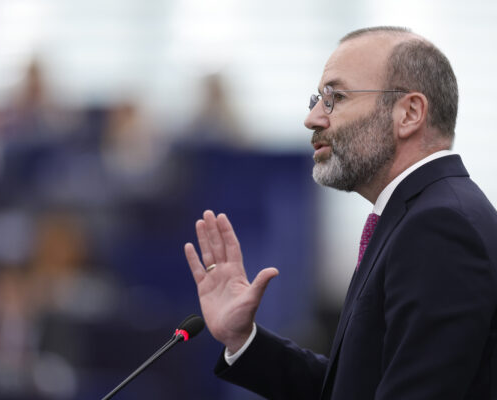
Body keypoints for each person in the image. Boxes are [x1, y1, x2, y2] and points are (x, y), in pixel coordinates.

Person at [184, 26, 497, 399]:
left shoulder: (440, 227)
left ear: (409, 113)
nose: (313, 118)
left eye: (336, 97)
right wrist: (243, 340)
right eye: (317, 99)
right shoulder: (418, 215)